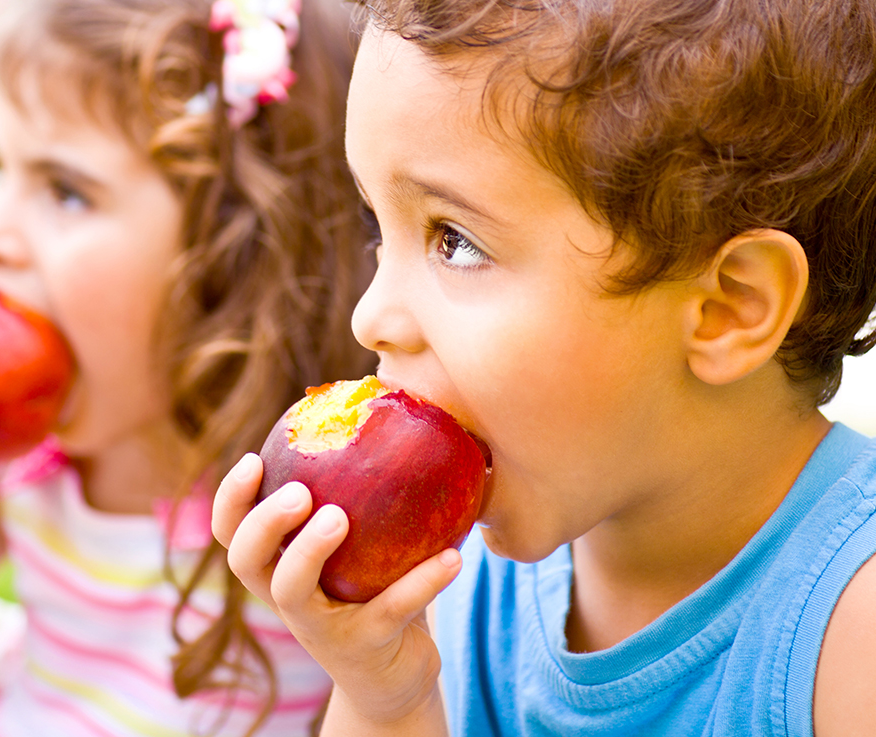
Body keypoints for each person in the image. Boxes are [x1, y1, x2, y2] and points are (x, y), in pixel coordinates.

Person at [211, 0, 876, 734]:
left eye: (455, 240)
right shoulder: (460, 577)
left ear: (726, 307)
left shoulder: (851, 631)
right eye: (378, 227)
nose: (370, 315)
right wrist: (385, 697)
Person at [0, 0, 375, 735]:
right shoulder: (32, 454)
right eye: (3, 169)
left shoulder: (319, 507)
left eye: (65, 190)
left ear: (236, 262)